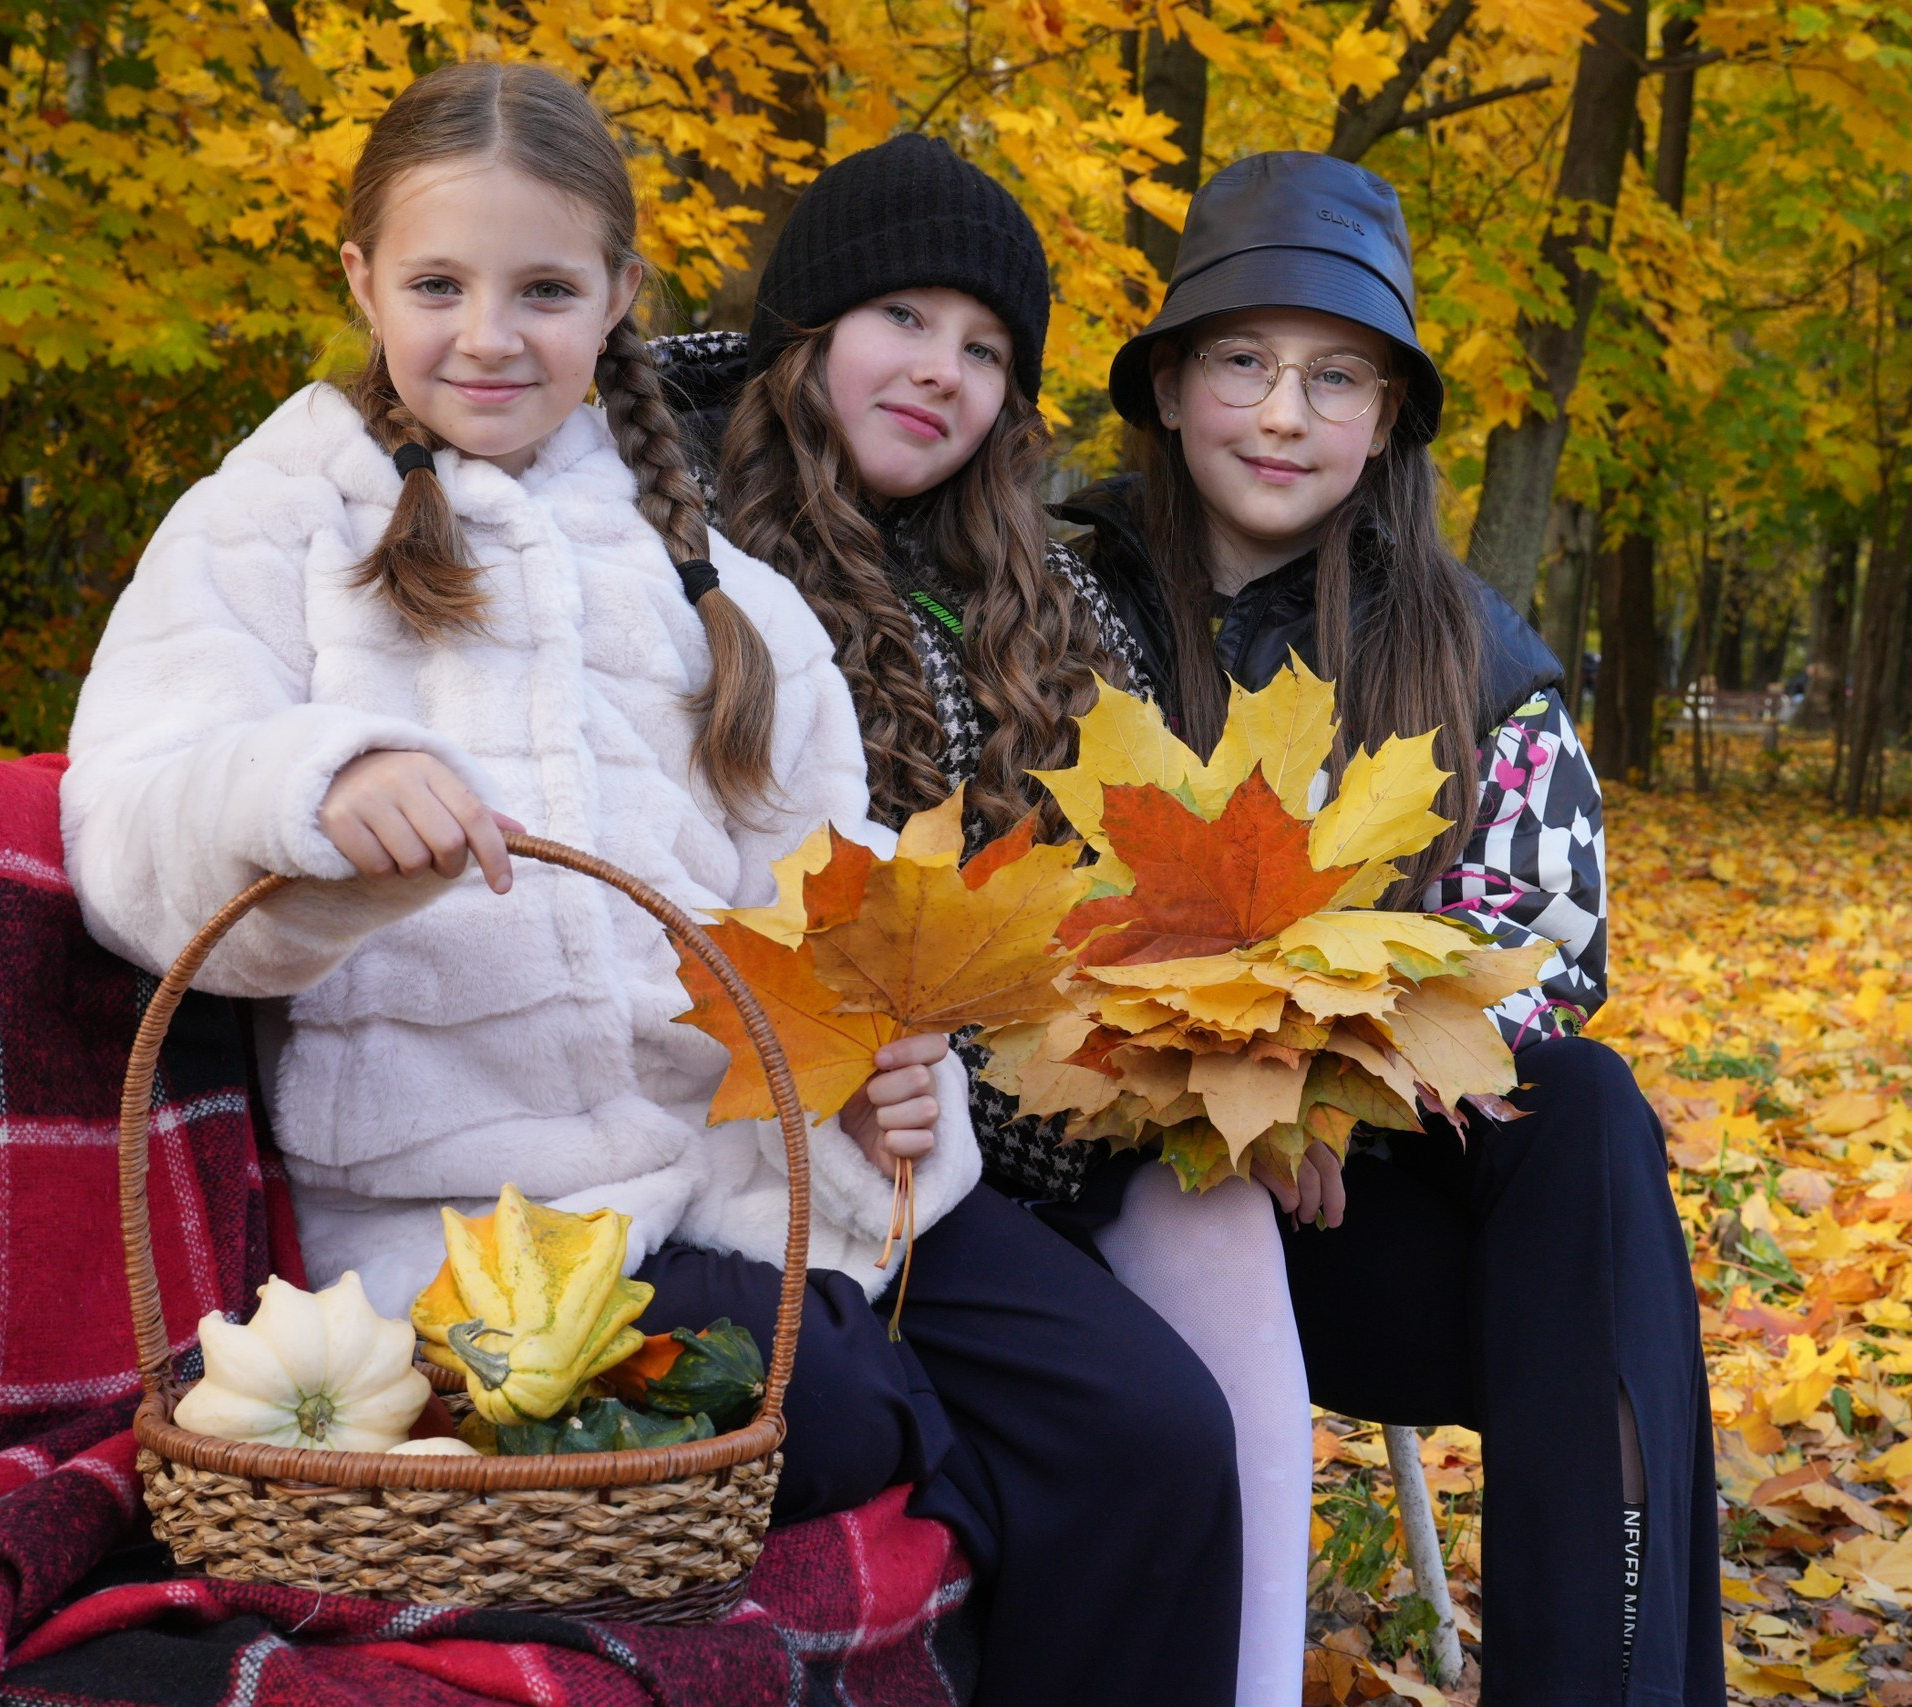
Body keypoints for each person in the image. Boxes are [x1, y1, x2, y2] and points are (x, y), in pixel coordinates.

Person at [60, 65, 1238, 1707]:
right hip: (496, 1228)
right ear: (358, 282)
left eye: (546, 289)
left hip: (774, 1182)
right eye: (439, 285)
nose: (491, 335)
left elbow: (835, 925)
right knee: (827, 1417)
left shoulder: (725, 596)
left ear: (618, 297)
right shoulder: (268, 532)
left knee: (1149, 1428)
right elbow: (125, 832)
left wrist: (887, 1085)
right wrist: (315, 787)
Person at [1061, 150, 1727, 1705]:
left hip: (1363, 1229)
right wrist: (1219, 1103)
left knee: (1591, 1117)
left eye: (1335, 375)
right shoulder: (1058, 603)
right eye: (1242, 360)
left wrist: (1322, 1094)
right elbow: (1000, 916)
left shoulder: (1474, 659)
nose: (1284, 413)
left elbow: (1548, 951)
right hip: (1095, 1206)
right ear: (1168, 385)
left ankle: (1603, 1676)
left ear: (1391, 417)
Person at [662, 132, 1295, 1706]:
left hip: (1008, 1140)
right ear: (804, 331)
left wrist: (1224, 1059)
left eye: (987, 348)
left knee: (1158, 1424)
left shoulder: (1042, 593)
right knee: (1077, 1421)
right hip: (770, 1142)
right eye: (903, 319)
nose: (943, 372)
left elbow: (1152, 883)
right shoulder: (680, 554)